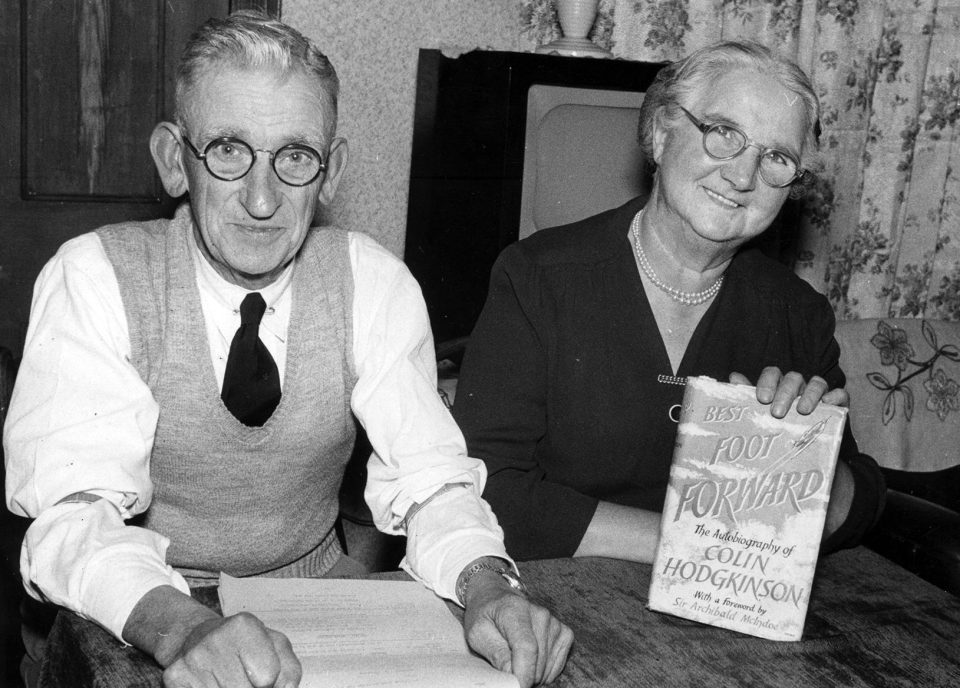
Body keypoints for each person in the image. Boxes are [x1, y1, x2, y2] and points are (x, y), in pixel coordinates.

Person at [3, 11, 572, 688]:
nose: (263, 198)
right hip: (128, 614)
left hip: (314, 606)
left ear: (331, 173)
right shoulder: (95, 276)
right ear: (173, 160)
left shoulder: (374, 283)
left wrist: (488, 585)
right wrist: (186, 625)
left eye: (295, 157)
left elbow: (433, 481)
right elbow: (70, 520)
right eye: (228, 150)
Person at [451, 40, 885, 563]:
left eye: (776, 157)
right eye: (724, 133)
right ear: (660, 134)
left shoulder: (797, 313)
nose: (743, 177)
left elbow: (860, 503)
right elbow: (487, 488)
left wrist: (808, 465)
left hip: (736, 605)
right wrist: (695, 549)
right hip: (558, 592)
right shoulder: (538, 278)